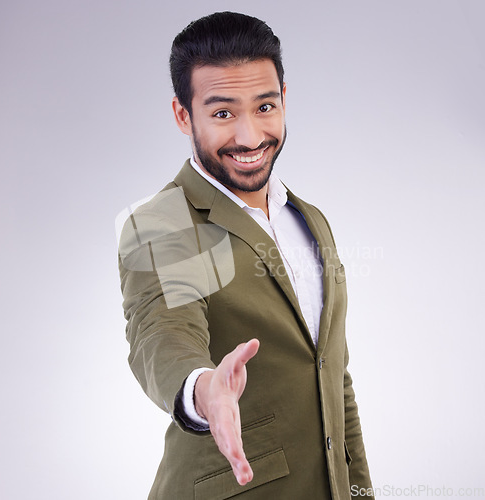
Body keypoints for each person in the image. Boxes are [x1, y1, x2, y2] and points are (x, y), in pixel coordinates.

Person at [118, 11, 374, 499]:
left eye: (264, 106)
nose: (250, 137)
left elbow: (332, 373)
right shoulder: (168, 222)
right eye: (221, 113)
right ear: (182, 115)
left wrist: (359, 491)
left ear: (284, 99)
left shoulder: (309, 219)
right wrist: (201, 390)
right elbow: (163, 331)